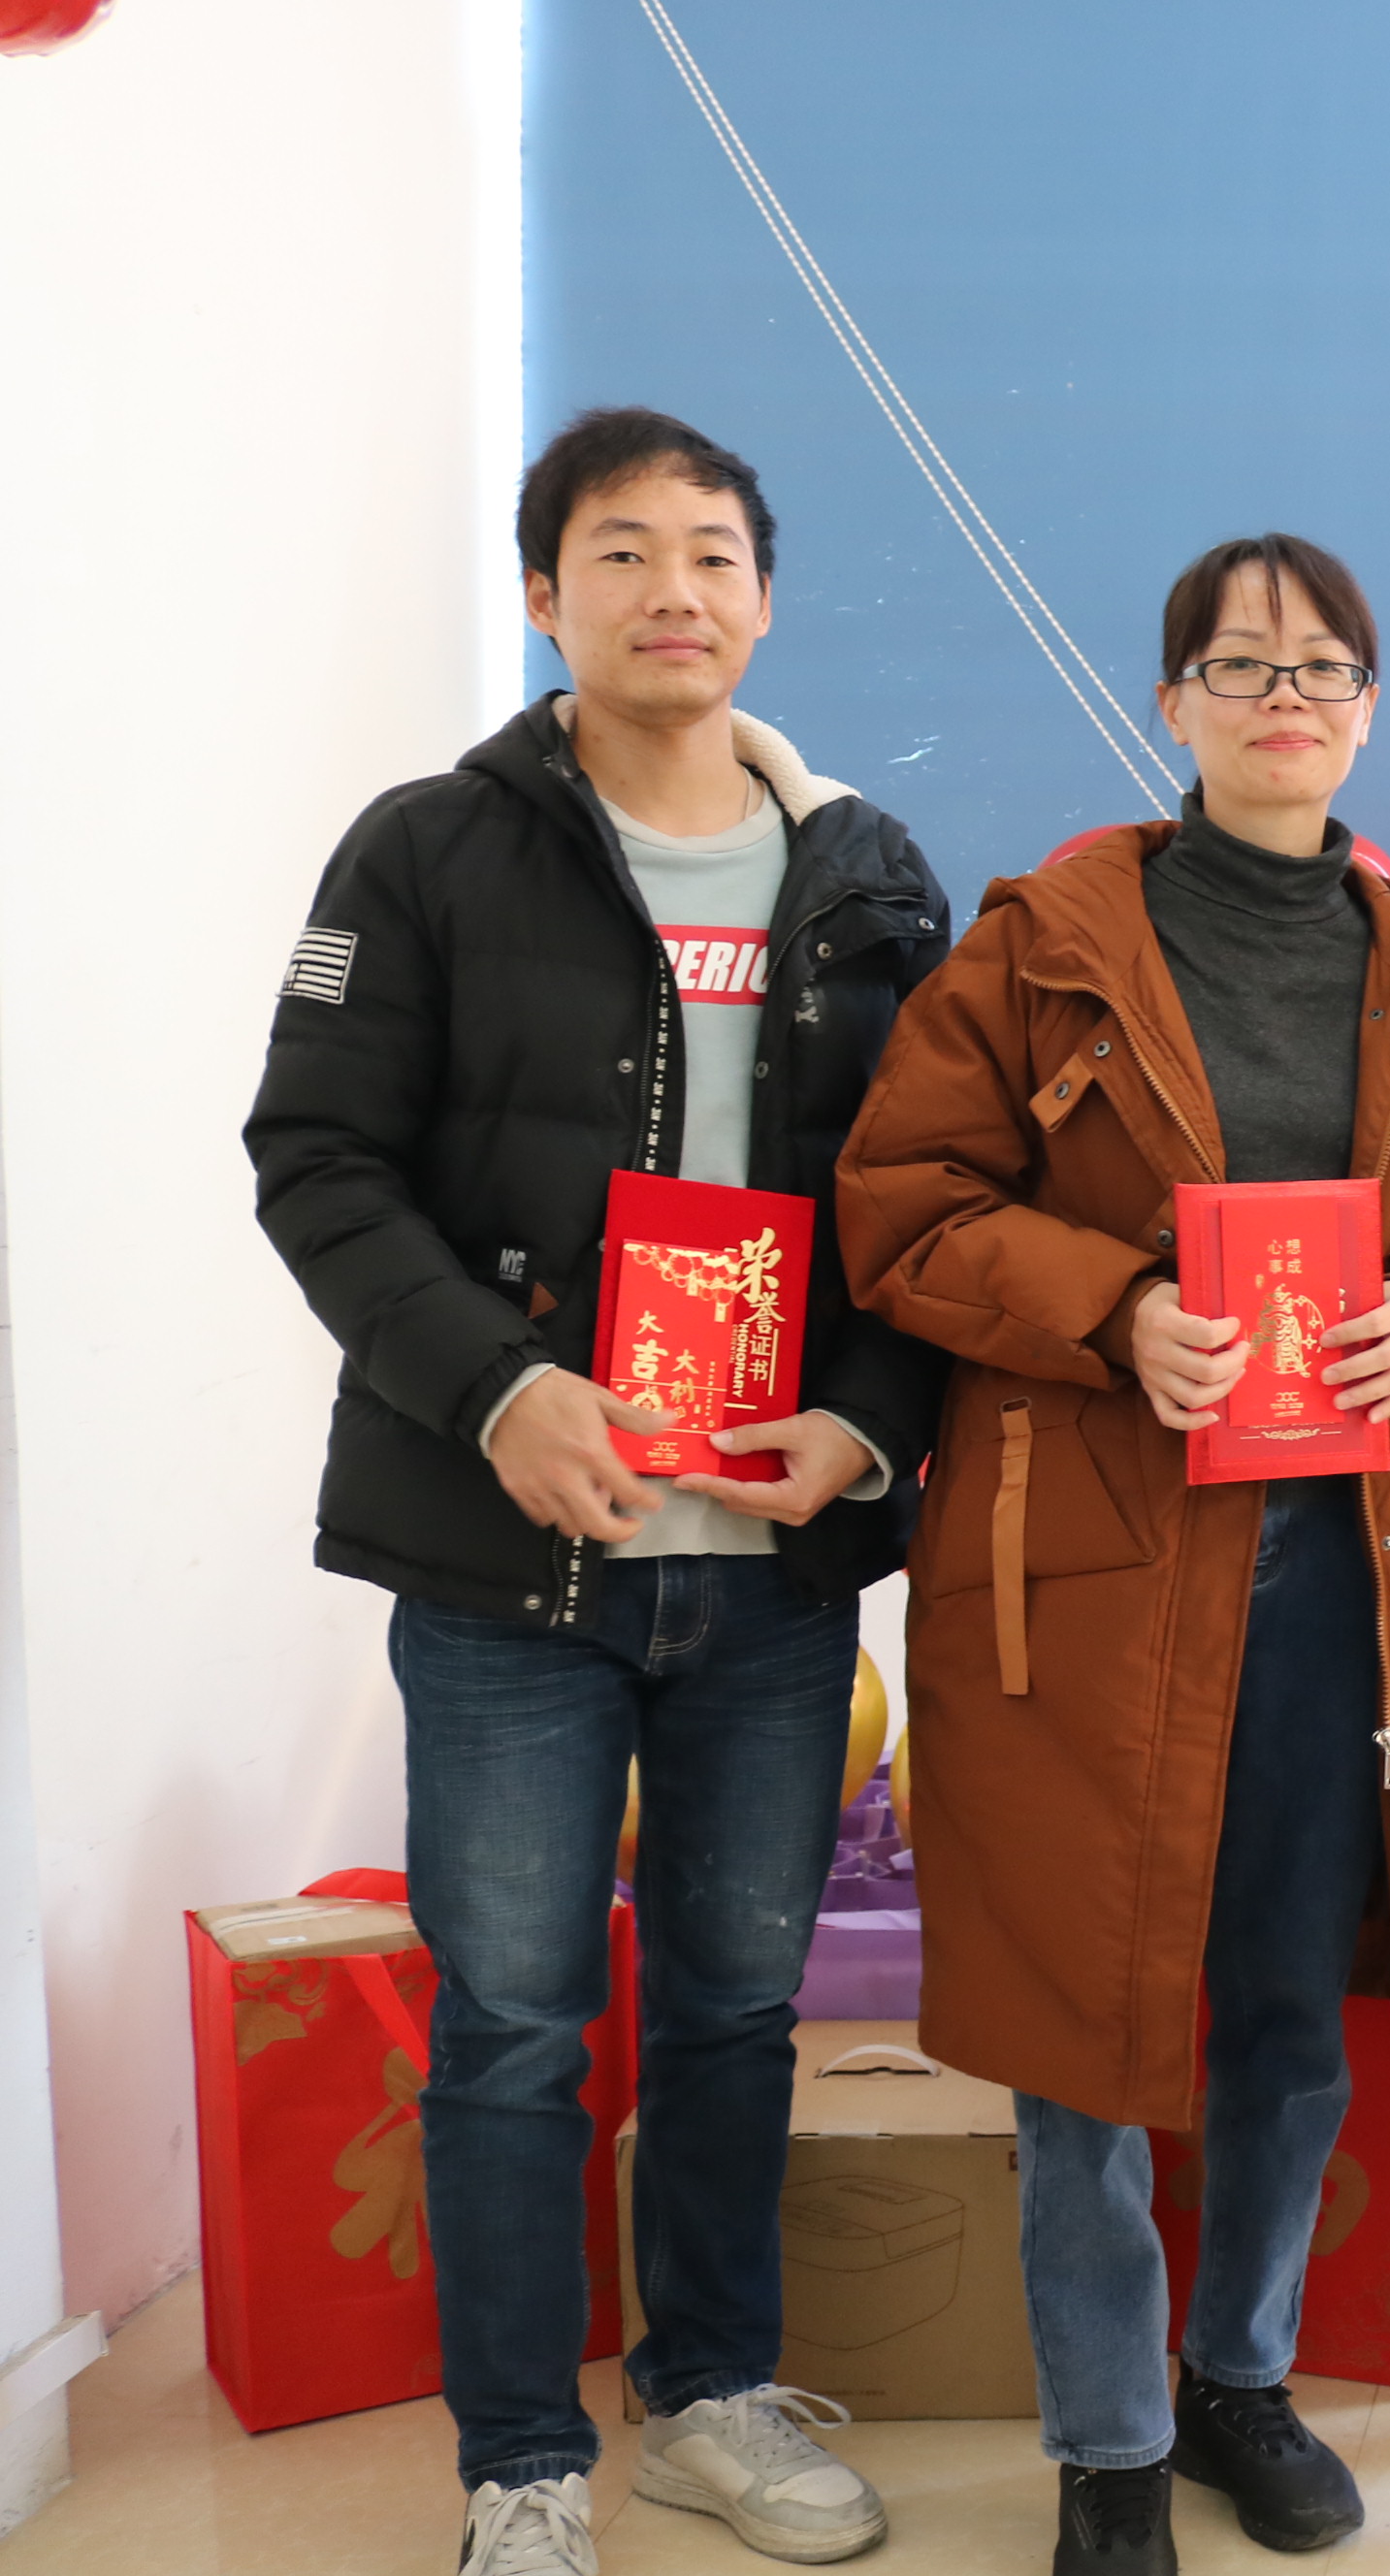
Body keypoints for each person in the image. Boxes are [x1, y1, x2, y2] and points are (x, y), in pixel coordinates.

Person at [246, 406, 950, 2574]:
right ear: (546, 594)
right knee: (515, 2025)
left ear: (766, 597)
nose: (675, 590)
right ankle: (521, 2463)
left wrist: (868, 1422)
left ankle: (712, 2396)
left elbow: (930, 1208)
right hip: (512, 1564)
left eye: (714, 552)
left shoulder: (868, 881)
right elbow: (317, 1159)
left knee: (737, 2009)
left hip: (772, 1572)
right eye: (622, 551)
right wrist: (498, 1392)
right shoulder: (430, 851)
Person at [835, 532, 1390, 2573]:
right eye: (1239, 665)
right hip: (1093, 1555)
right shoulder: (1045, 945)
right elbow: (905, 1206)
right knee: (1084, 2006)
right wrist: (1117, 1305)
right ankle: (1111, 2439)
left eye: (1320, 669)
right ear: (1173, 705)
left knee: (1291, 1993)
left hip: (1347, 1552)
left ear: (1367, 712)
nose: (1282, 698)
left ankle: (1242, 2374)